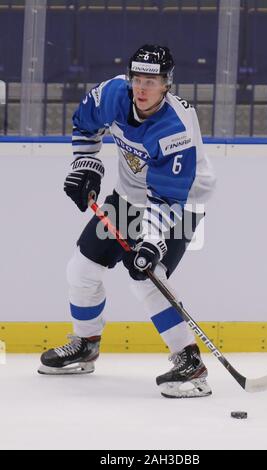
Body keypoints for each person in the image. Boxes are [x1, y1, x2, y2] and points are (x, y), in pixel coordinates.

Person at [38, 45, 216, 398]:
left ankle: (190, 362)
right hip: (131, 195)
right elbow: (84, 126)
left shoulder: (175, 128)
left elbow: (167, 198)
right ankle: (86, 344)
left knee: (146, 276)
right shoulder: (111, 94)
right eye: (137, 78)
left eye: (151, 81)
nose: (141, 88)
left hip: (181, 202)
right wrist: (85, 164)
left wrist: (150, 241)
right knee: (82, 268)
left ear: (167, 84)